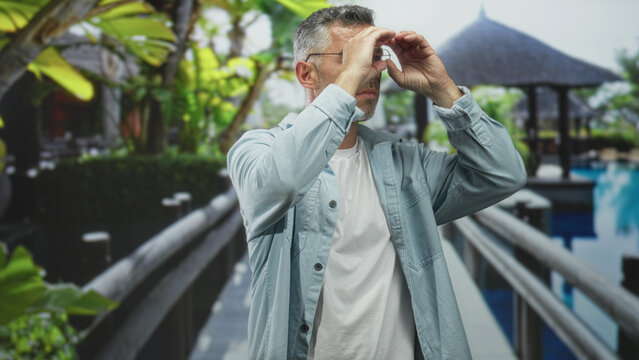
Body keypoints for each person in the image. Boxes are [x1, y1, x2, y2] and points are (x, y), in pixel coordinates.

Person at [227, 5, 526, 360]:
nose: (369, 71)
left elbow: (503, 174)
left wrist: (442, 88)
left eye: (372, 56)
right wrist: (348, 80)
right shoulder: (257, 150)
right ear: (306, 74)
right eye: (350, 57)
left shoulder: (405, 164)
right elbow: (279, 183)